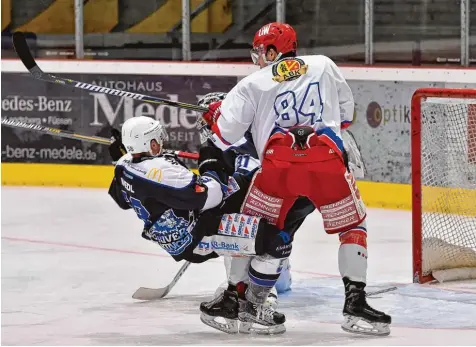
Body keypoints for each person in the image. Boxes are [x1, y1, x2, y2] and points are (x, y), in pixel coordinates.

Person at [200, 22, 391, 336]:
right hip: (326, 164)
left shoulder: (252, 83)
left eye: (260, 52)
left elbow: (223, 137)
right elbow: (345, 116)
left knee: (250, 230)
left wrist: (216, 115)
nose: (257, 58)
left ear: (273, 51)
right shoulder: (324, 65)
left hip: (278, 170)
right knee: (353, 228)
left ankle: (234, 300)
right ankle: (356, 303)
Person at [108, 116, 293, 334]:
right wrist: (211, 163)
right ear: (151, 144)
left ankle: (233, 298)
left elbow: (120, 198)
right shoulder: (161, 172)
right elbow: (210, 196)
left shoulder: (123, 166)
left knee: (243, 222)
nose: (163, 143)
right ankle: (251, 306)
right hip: (198, 236)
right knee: (276, 242)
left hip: (184, 232)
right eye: (158, 139)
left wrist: (123, 159)